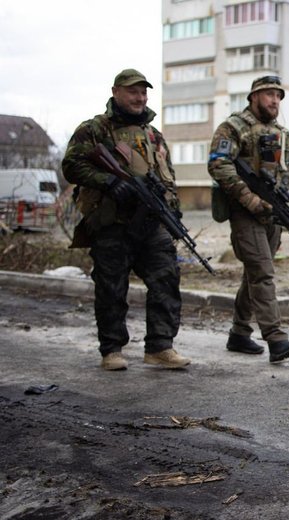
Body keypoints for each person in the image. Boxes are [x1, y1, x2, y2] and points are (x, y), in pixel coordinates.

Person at [62, 69, 191, 371]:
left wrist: (173, 210)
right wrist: (107, 181)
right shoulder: (94, 129)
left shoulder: (153, 135)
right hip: (111, 222)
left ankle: (160, 347)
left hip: (150, 222)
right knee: (111, 287)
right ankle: (112, 350)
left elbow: (167, 178)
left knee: (166, 277)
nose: (140, 97)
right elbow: (71, 165)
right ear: (116, 92)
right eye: (133, 91)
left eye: (143, 92)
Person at [207, 75, 289, 362]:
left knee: (255, 273)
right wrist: (248, 198)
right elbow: (218, 164)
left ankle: (239, 333)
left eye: (278, 96)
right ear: (254, 96)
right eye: (269, 94)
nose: (275, 100)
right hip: (245, 212)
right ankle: (275, 338)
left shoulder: (282, 134)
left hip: (273, 212)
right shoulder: (234, 127)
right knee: (262, 272)